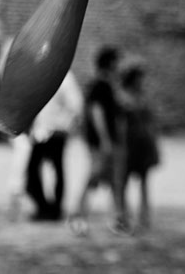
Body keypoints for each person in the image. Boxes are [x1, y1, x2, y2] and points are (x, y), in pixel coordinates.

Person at [66, 46, 126, 236]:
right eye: (117, 61)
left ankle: (117, 219)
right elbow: (97, 113)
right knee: (95, 177)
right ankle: (78, 216)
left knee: (112, 180)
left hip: (104, 141)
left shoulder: (106, 85)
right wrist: (105, 139)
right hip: (101, 142)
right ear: (110, 63)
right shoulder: (100, 86)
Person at [25, 70, 83, 221]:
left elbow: (76, 105)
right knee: (33, 170)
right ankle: (44, 207)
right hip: (41, 131)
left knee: (56, 169)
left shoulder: (65, 78)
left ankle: (54, 209)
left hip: (56, 131)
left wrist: (66, 125)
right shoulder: (41, 75)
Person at [115, 64, 160, 233]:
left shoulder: (142, 97)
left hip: (143, 144)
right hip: (128, 144)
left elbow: (151, 122)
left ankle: (144, 217)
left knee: (143, 182)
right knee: (123, 182)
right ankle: (123, 216)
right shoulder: (122, 97)